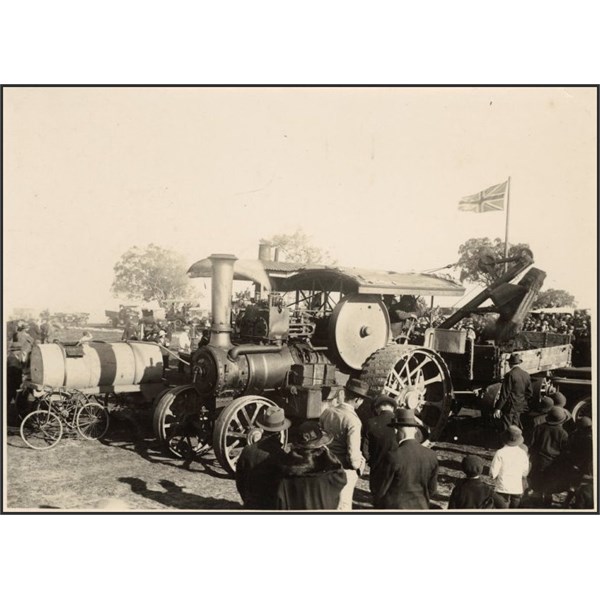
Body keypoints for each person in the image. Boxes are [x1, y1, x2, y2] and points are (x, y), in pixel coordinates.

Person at [319, 378, 369, 510]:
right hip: (343, 470)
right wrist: (359, 465)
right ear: (358, 400)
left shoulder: (327, 412)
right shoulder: (353, 421)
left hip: (326, 465)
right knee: (343, 506)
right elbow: (353, 456)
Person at [276, 422, 347, 510]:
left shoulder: (286, 471)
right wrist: (328, 454)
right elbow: (341, 480)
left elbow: (281, 501)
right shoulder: (331, 471)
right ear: (320, 444)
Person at [377, 408, 439, 510]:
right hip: (422, 507)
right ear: (415, 430)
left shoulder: (393, 456)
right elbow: (432, 490)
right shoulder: (431, 455)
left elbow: (382, 490)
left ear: (396, 430)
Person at [235, 406, 290, 510]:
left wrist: (247, 500)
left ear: (262, 428)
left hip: (249, 505)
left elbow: (239, 481)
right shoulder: (280, 455)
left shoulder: (247, 450)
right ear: (280, 431)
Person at [528, 406, 569, 507]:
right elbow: (564, 451)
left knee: (536, 484)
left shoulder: (539, 428)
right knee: (548, 486)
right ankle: (547, 504)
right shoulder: (563, 433)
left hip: (538, 460)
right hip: (553, 463)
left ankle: (535, 503)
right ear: (561, 420)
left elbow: (531, 444)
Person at [362, 395, 399, 508]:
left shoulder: (370, 423)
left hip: (377, 469)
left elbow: (365, 451)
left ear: (378, 408)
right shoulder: (400, 423)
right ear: (392, 408)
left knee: (378, 502)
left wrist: (371, 461)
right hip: (397, 469)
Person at [490, 425, 530, 509]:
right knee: (514, 509)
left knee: (502, 509)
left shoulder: (500, 452)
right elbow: (525, 472)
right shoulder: (522, 453)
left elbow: (493, 472)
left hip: (502, 487)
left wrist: (493, 476)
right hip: (516, 487)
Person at [494, 353, 532, 431]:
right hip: (519, 405)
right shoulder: (526, 375)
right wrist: (521, 401)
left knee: (507, 427)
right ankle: (515, 441)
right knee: (515, 427)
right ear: (519, 363)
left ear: (510, 363)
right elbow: (529, 392)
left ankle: (506, 442)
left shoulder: (509, 375)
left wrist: (498, 408)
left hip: (509, 407)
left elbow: (505, 394)